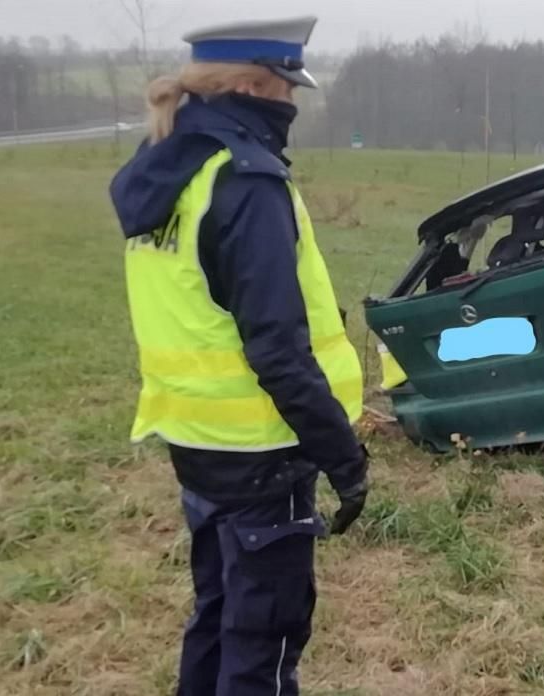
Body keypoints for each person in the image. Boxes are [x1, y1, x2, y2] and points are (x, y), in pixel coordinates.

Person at [108, 16, 369, 696]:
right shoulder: (246, 181)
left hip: (196, 443)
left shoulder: (168, 167)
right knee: (263, 645)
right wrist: (343, 456)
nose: (292, 106)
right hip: (263, 452)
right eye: (288, 90)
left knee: (219, 616)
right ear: (255, 85)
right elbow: (278, 349)